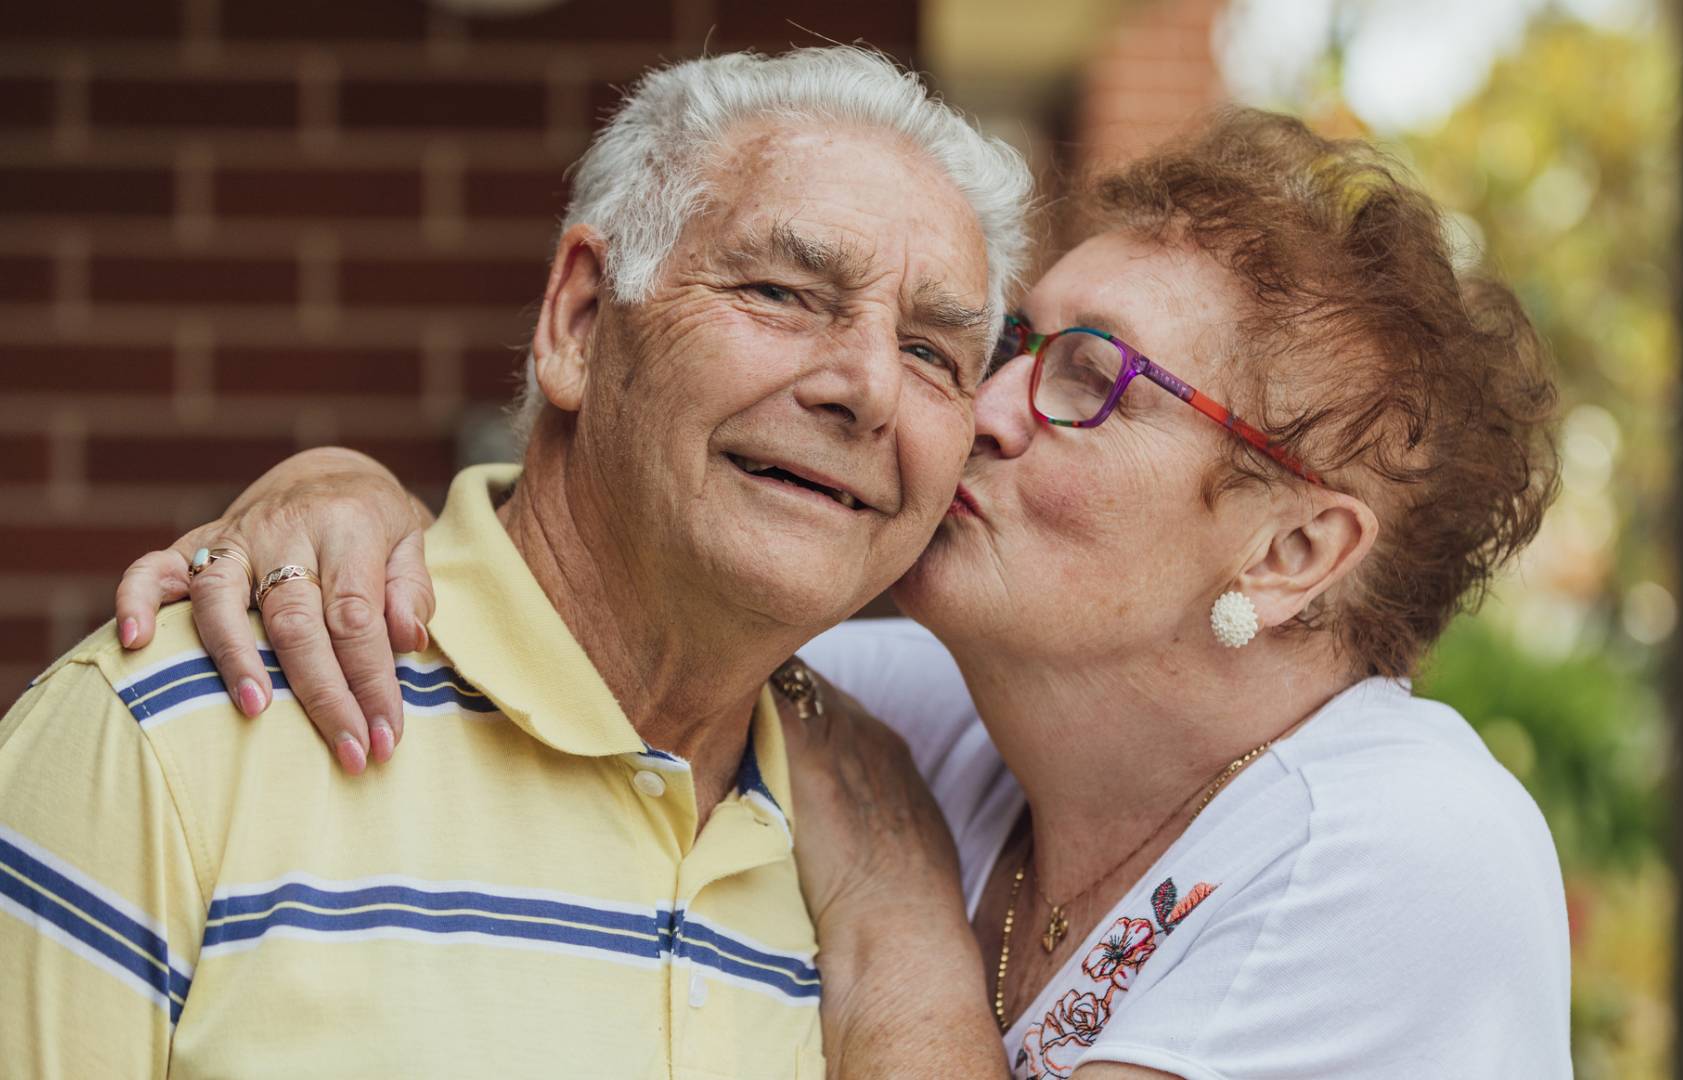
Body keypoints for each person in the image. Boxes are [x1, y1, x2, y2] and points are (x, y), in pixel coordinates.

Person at [112, 112, 1571, 1077]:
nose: (975, 408)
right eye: (1009, 343)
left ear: (1292, 553)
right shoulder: (912, 707)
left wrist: (888, 900)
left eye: (1088, 380)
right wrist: (340, 494)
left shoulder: (1396, 853)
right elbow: (617, 610)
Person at [0, 46, 1032, 1077]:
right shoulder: (175, 732)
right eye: (782, 291)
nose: (870, 388)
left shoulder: (882, 833)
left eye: (934, 355)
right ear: (579, 322)